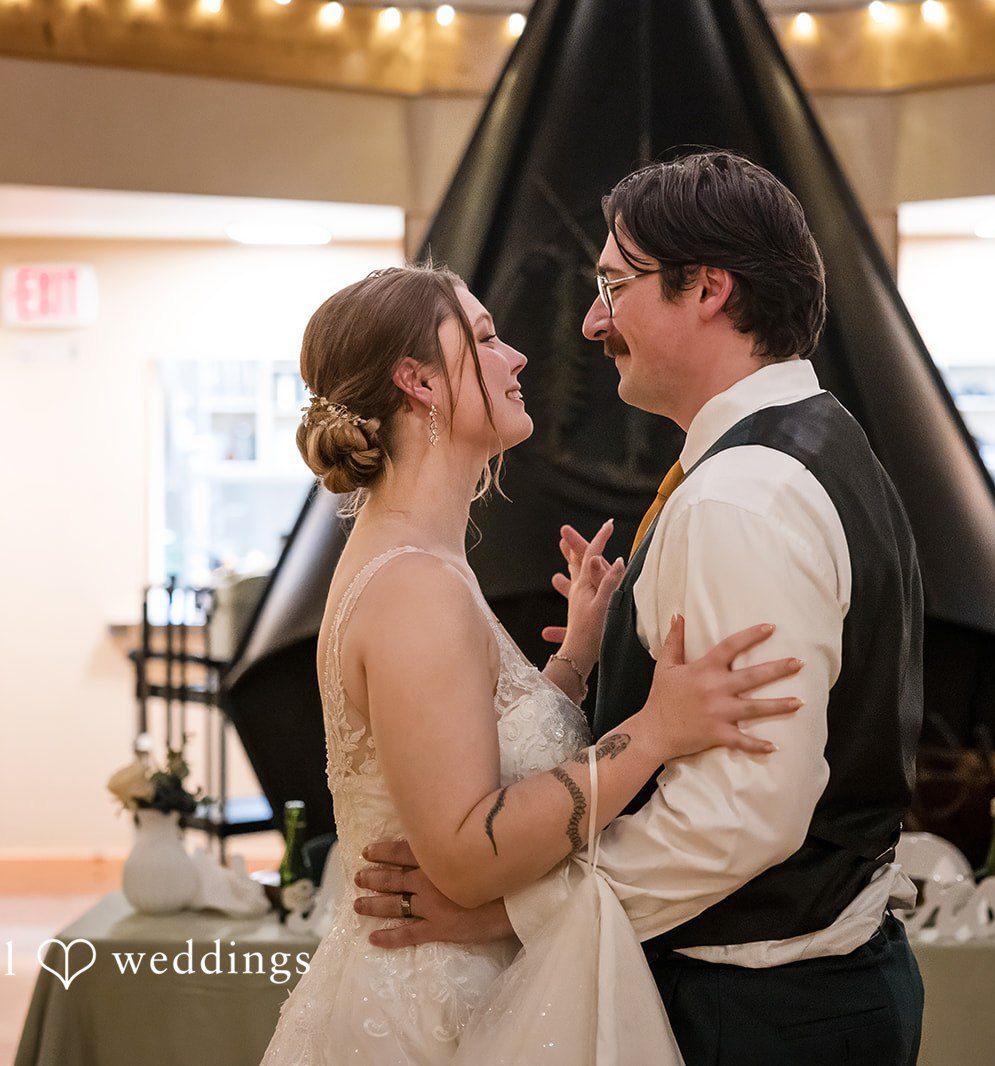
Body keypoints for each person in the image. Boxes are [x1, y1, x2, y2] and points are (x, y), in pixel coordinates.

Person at [356, 151, 927, 1065]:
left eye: (614, 285)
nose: (590, 323)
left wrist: (509, 911)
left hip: (761, 1012)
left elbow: (743, 815)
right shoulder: (815, 440)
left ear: (706, 287)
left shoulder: (739, 495)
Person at [257, 262, 803, 1065]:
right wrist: (652, 734)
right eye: (482, 338)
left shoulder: (418, 558)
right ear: (418, 382)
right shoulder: (415, 585)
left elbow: (466, 761)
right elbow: (470, 853)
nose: (516, 357)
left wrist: (574, 662)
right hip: (434, 1011)